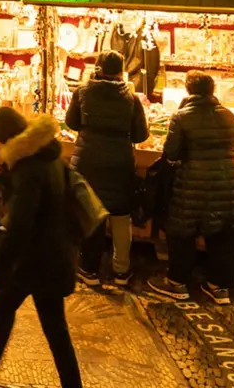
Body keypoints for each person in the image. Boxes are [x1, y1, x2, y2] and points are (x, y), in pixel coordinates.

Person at [0, 108, 82, 388]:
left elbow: (21, 225)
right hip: (54, 254)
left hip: (36, 261)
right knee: (43, 323)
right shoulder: (50, 155)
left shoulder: (28, 168)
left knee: (19, 313)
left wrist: (2, 267)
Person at [149, 71, 234, 305]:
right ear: (213, 90)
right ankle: (219, 287)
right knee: (223, 236)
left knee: (182, 234)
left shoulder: (181, 117)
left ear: (188, 90)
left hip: (193, 185)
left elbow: (171, 153)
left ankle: (177, 283)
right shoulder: (229, 116)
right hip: (231, 184)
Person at [64, 49, 148, 288]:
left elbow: (71, 122)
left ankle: (89, 270)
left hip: (87, 160)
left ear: (98, 68)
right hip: (119, 162)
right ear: (121, 71)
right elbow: (141, 135)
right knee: (121, 217)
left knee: (93, 214)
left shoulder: (82, 91)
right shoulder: (131, 98)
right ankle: (121, 271)